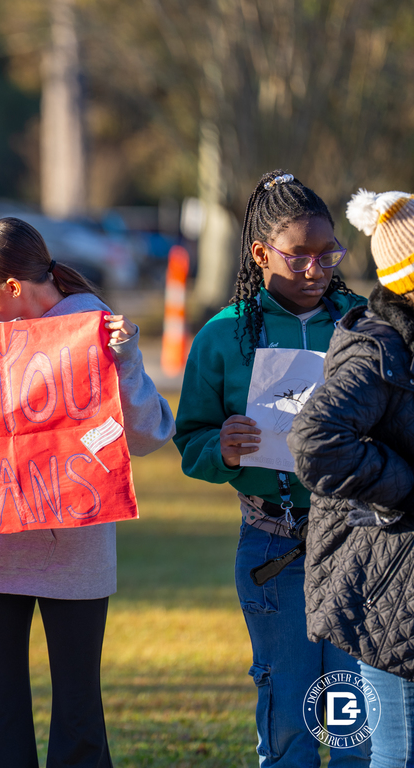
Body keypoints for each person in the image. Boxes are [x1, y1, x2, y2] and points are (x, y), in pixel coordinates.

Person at [0, 217, 174, 768]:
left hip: (73, 551)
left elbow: (150, 434)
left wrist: (126, 361)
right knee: (0, 708)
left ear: (11, 285)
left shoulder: (100, 332)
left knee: (80, 708)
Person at [174, 170, 369, 767]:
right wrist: (223, 447)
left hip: (358, 544)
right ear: (261, 253)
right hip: (273, 547)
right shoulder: (223, 335)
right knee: (288, 714)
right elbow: (191, 441)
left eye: (328, 253)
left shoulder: (363, 323)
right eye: (299, 256)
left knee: (355, 715)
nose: (316, 268)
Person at [289, 189, 414, 768]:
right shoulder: (377, 347)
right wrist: (405, 485)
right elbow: (315, 443)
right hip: (392, 585)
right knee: (399, 754)